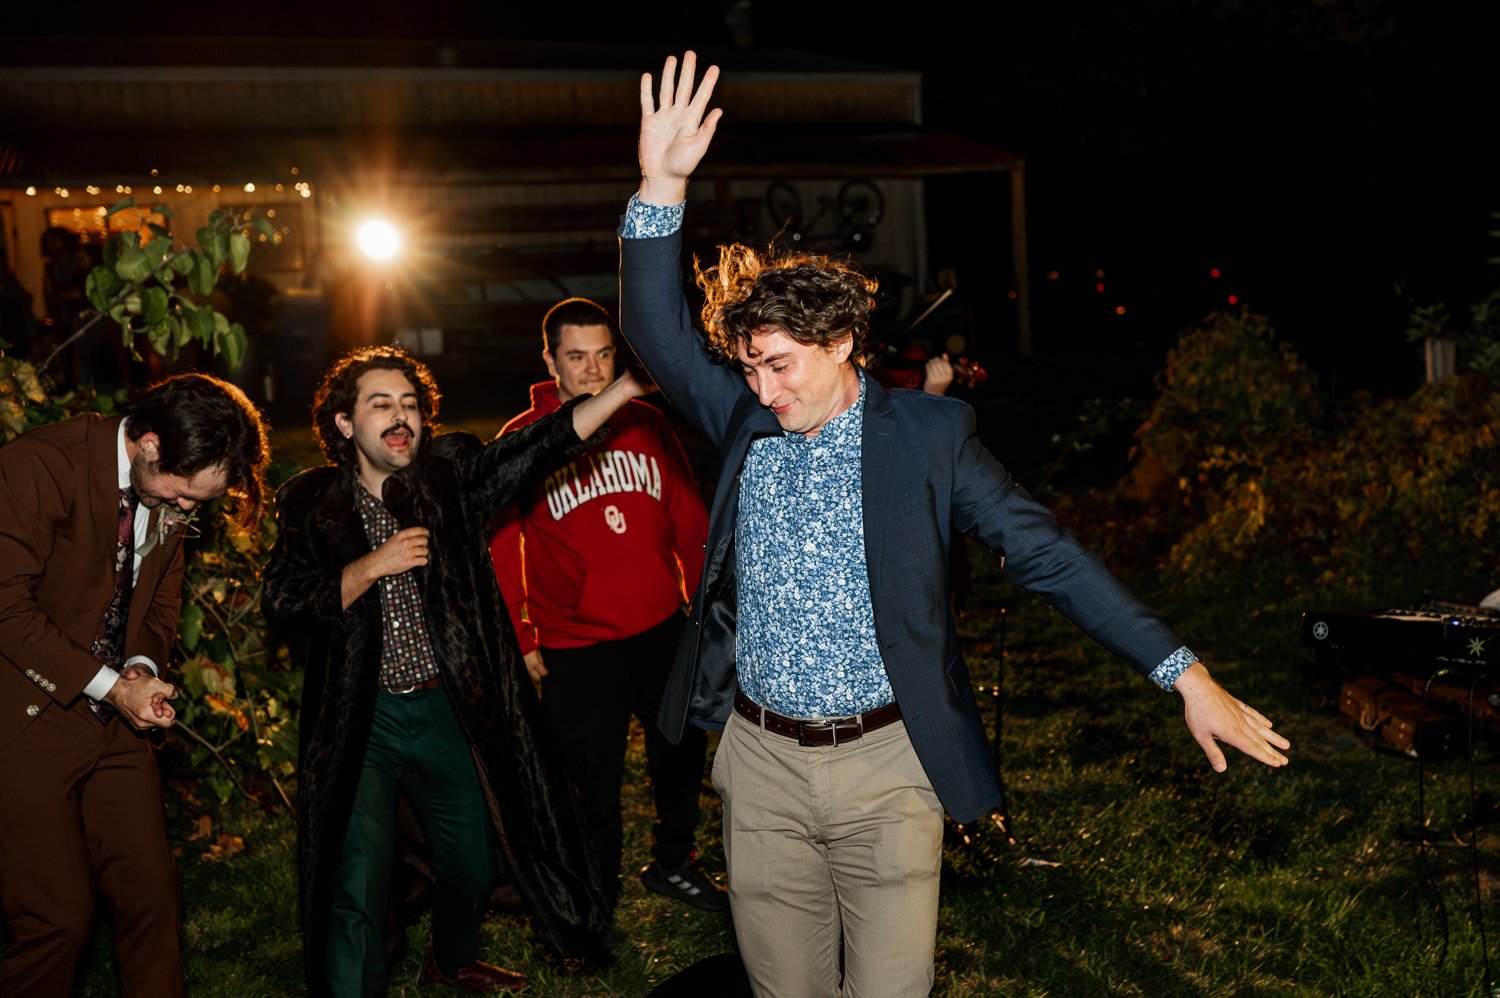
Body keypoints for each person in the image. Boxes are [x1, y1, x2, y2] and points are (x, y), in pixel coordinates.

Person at [618, 52, 1292, 996]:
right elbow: (652, 329)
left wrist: (1185, 674)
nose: (763, 391)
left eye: (779, 365)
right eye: (750, 367)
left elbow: (1050, 554)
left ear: (844, 342)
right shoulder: (742, 415)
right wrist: (662, 183)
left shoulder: (927, 440)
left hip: (890, 767)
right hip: (762, 765)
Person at [262, 344, 651, 996]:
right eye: (380, 404)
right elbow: (280, 599)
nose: (400, 417)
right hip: (366, 718)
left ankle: (450, 958)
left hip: (445, 707)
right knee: (355, 882)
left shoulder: (448, 483)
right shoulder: (315, 507)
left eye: (410, 404)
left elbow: (533, 451)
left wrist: (624, 390)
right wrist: (368, 567)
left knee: (472, 865)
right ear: (342, 424)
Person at [0, 373, 270, 996]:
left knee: (151, 897)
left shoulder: (169, 487)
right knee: (56, 920)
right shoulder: (39, 465)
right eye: (181, 496)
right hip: (26, 712)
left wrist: (142, 669)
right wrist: (106, 684)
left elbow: (162, 597)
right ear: (148, 443)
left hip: (115, 713)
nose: (185, 511)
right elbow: (5, 608)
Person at [488, 297, 725, 911]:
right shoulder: (524, 439)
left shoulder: (646, 422)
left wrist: (705, 608)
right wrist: (523, 636)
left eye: (603, 355)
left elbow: (685, 514)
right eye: (576, 357)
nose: (592, 371)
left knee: (681, 754)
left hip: (660, 629)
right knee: (589, 782)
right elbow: (500, 543)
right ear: (549, 360)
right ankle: (595, 891)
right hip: (577, 643)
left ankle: (673, 862)